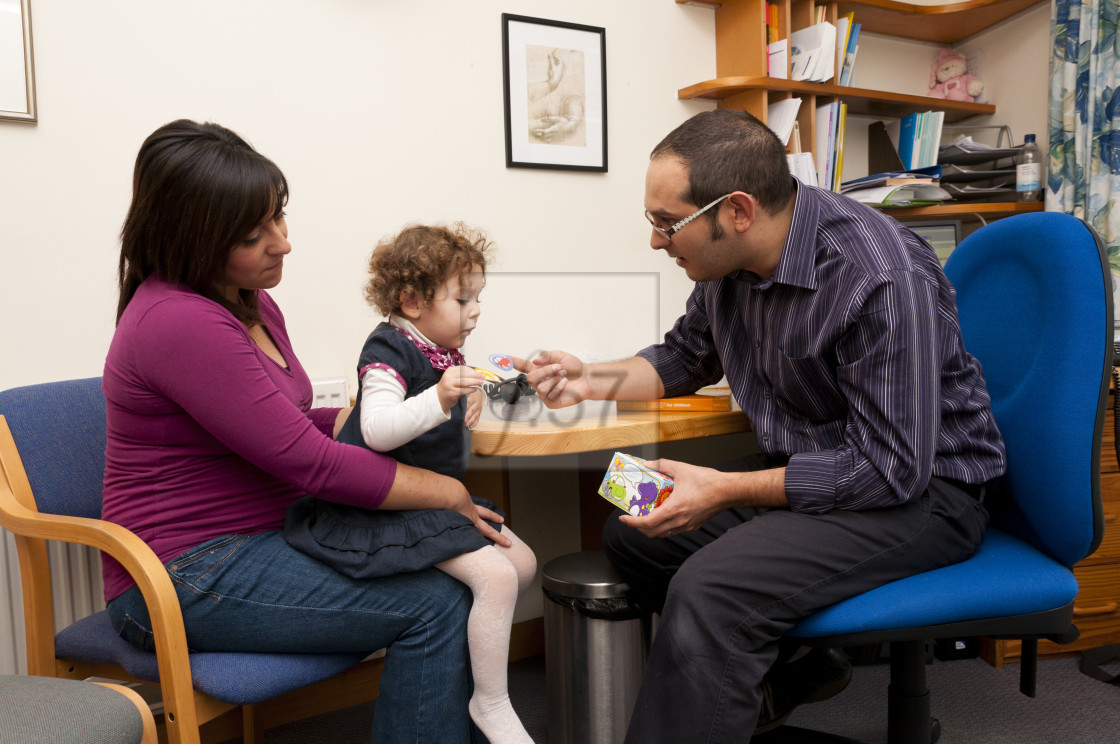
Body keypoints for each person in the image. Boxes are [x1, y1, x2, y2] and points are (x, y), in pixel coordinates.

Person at [521, 109, 1006, 742]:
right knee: (634, 523)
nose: (656, 241)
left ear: (738, 212)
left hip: (926, 491)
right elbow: (683, 358)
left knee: (710, 589)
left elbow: (889, 469)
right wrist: (589, 380)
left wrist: (724, 489)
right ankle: (792, 669)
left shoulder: (877, 275)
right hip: (829, 470)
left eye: (668, 224)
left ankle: (728, 682)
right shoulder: (730, 271)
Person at [101, 119, 497, 744]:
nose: (283, 243)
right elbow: (311, 464)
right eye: (255, 234)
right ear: (192, 237)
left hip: (268, 537)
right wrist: (445, 492)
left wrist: (363, 417)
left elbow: (273, 422)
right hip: (182, 573)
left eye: (278, 218)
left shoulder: (249, 300)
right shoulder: (177, 321)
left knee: (467, 568)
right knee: (436, 602)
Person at [284, 223, 537, 744]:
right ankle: (491, 703)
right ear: (412, 301)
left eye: (478, 298)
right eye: (464, 299)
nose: (476, 311)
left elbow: (439, 399)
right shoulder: (388, 351)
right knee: (497, 577)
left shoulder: (443, 350)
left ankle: (469, 684)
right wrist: (439, 399)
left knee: (523, 562)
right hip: (380, 510)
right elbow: (376, 430)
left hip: (428, 503)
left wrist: (470, 393)